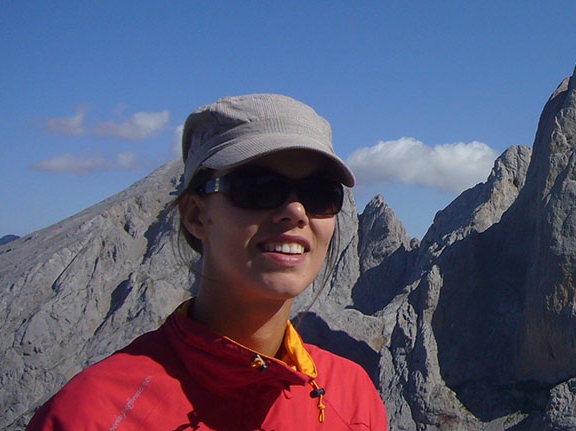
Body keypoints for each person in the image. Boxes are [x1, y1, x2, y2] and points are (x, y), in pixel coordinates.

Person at [27, 93, 388, 430]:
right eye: (258, 188)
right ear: (196, 216)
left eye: (319, 194)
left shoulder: (353, 397)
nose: (294, 212)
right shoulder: (89, 414)